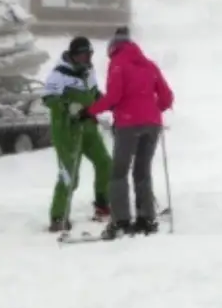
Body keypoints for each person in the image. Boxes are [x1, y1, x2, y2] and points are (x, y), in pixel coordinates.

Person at [79, 27, 174, 239]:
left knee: (119, 172)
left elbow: (113, 97)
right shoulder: (150, 65)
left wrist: (90, 111)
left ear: (113, 48)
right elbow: (167, 97)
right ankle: (146, 219)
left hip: (128, 125)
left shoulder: (118, 64)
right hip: (152, 124)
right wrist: (151, 109)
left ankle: (121, 220)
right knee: (142, 171)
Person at [42, 36, 113, 232]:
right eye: (82, 55)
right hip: (67, 130)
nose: (85, 58)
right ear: (73, 55)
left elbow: (94, 93)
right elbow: (48, 98)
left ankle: (102, 204)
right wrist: (67, 106)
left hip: (88, 126)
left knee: (105, 163)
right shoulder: (60, 73)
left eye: (88, 55)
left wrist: (109, 102)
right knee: (69, 175)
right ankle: (58, 216)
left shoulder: (88, 71)